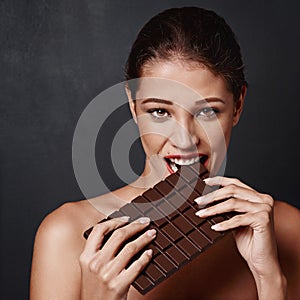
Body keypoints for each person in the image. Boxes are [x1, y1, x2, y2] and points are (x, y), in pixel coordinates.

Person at [30, 7, 300, 300]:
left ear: (237, 106)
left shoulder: (286, 231)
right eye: (160, 111)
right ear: (134, 107)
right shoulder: (65, 237)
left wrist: (270, 280)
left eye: (208, 111)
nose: (185, 140)